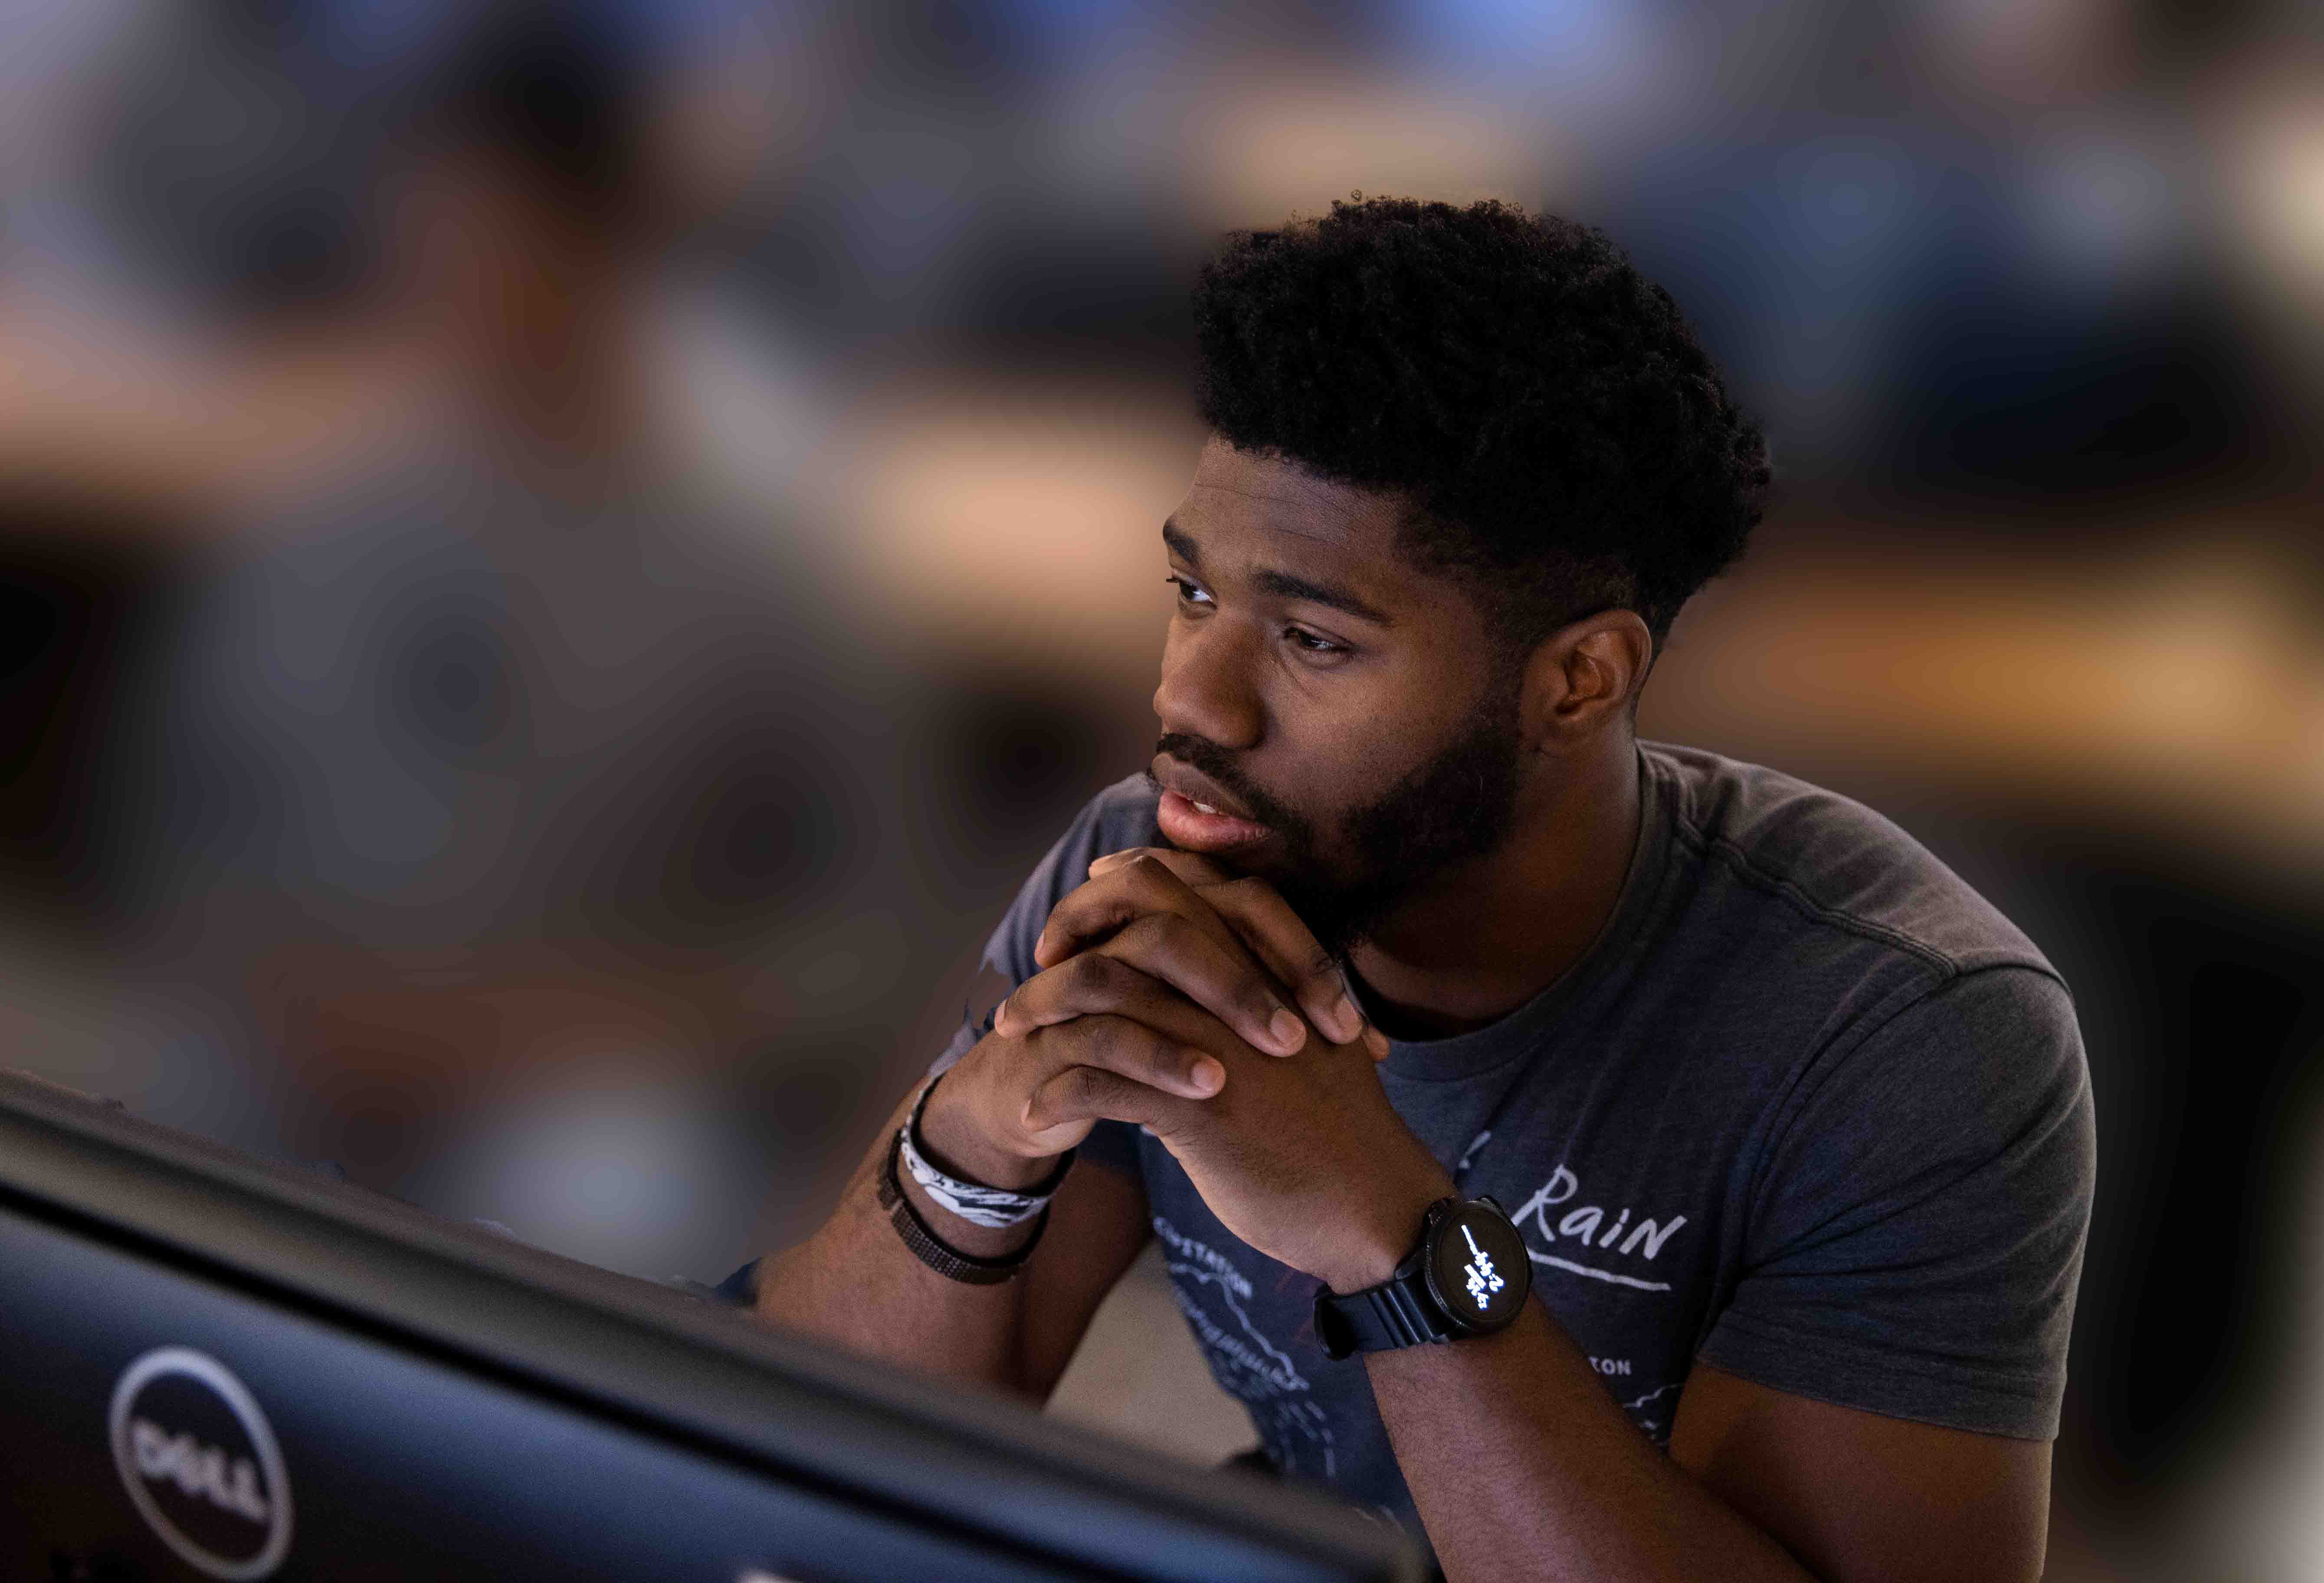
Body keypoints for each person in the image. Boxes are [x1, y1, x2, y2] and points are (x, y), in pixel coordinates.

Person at [730, 196, 2094, 1583]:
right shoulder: (1152, 877)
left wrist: (1394, 1238)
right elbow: (792, 1473)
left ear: (1579, 680)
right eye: (1192, 596)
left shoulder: (1904, 1034)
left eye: (1314, 639)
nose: (1187, 698)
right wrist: (971, 1144)